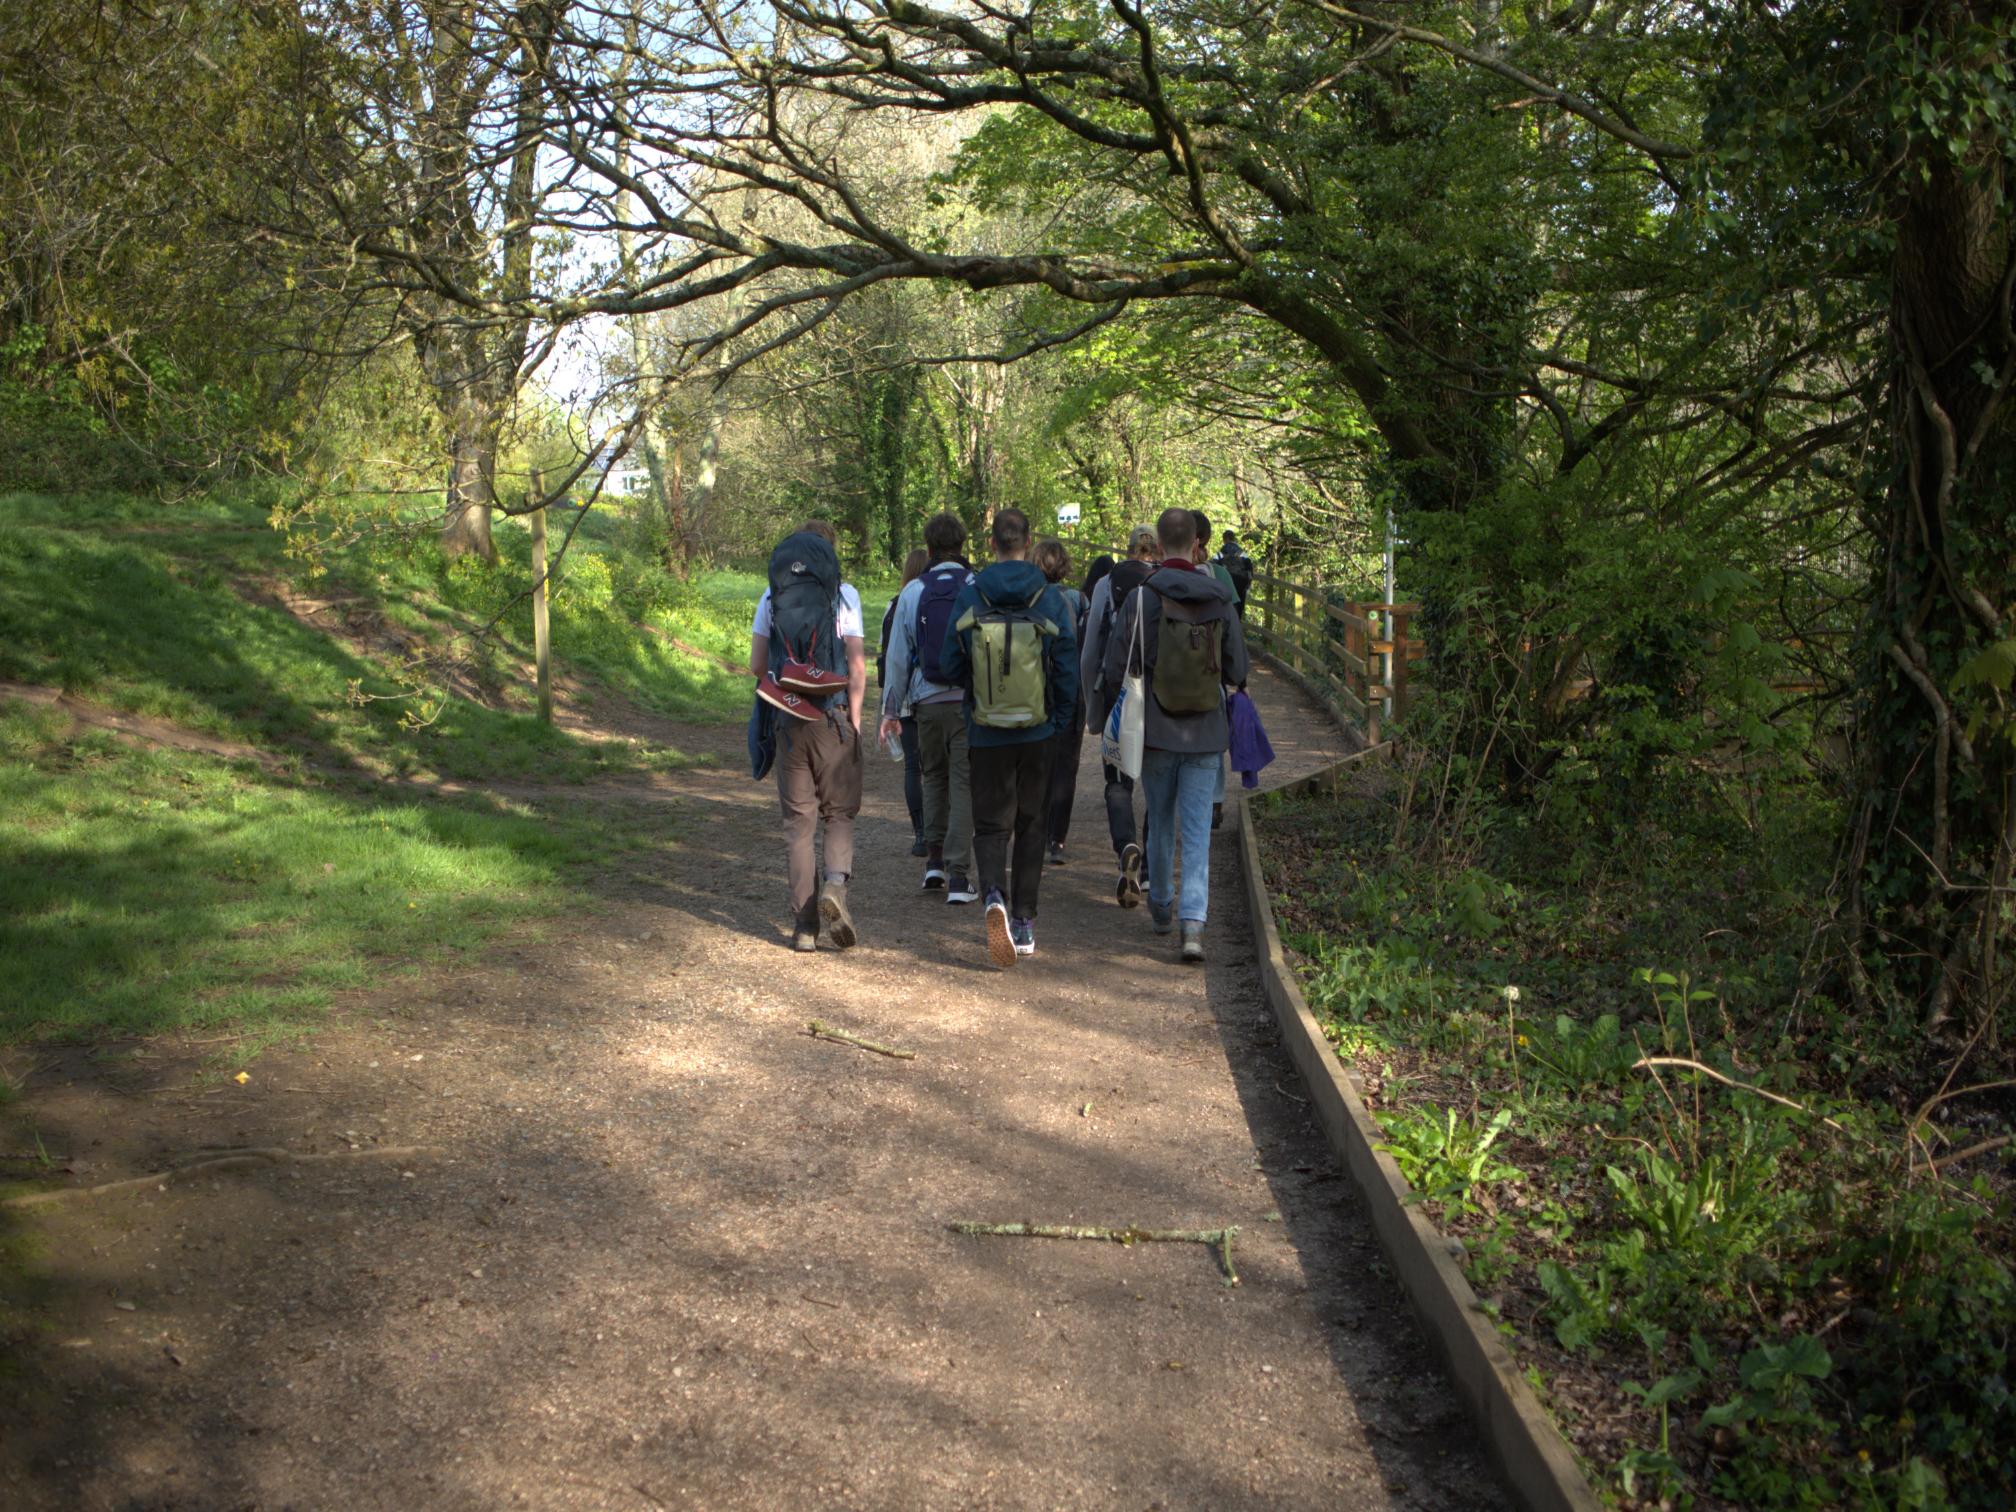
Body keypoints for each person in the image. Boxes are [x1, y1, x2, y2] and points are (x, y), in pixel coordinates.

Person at [1103, 507, 1249, 964]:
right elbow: (1238, 668)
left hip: (1156, 731)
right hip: (1205, 733)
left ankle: (1162, 906)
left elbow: (1115, 665)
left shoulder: (1142, 597)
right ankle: (1193, 927)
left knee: (1161, 821)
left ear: (1161, 545)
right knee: (1197, 829)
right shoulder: (1220, 598)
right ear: (1197, 544)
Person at [940, 508, 1079, 967]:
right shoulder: (1048, 597)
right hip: (1038, 729)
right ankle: (1023, 921)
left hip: (986, 729)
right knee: (1032, 823)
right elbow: (1066, 663)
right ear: (1028, 542)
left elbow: (947, 662)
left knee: (990, 824)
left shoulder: (972, 594)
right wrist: (1059, 719)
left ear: (992, 542)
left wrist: (975, 693)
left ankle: (993, 895)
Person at [751, 520, 868, 953]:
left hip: (789, 721)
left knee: (798, 825)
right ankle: (835, 886)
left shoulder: (771, 596)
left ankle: (804, 928)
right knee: (839, 813)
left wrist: (788, 689)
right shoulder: (844, 595)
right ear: (830, 554)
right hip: (832, 715)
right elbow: (856, 665)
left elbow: (757, 664)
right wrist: (855, 720)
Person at [877, 514, 978, 902]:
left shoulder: (913, 591)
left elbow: (898, 657)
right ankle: (959, 878)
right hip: (966, 702)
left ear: (930, 547)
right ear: (962, 545)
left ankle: (934, 863)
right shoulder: (976, 585)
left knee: (933, 777)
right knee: (963, 784)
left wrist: (891, 711)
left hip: (926, 701)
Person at [1079, 525, 1161, 906]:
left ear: (1128, 549)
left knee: (1117, 782)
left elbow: (1090, 651)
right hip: (1158, 694)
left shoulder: (1106, 584)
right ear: (1156, 549)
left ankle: (1126, 844)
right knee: (1157, 782)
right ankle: (1150, 869)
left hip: (1118, 690)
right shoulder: (1164, 582)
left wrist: (1093, 712)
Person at [1033, 538, 1089, 866]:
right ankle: (1057, 838)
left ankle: (1036, 830)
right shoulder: (1078, 600)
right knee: (1066, 765)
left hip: (1035, 688)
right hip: (1070, 684)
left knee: (1038, 761)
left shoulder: (1030, 598)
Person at [878, 547, 930, 856]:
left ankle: (920, 833)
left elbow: (887, 656)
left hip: (905, 697)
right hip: (934, 692)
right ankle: (939, 830)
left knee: (913, 766)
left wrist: (889, 704)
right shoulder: (936, 599)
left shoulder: (895, 605)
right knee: (938, 768)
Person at [1190, 510, 1235, 831]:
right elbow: (1234, 625)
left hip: (1170, 672)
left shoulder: (1162, 574)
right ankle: (1215, 800)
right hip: (1212, 669)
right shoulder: (1219, 575)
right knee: (1214, 735)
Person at [1214, 529, 1255, 618]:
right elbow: (1250, 573)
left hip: (1223, 588)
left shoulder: (1219, 555)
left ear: (1224, 540)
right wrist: (1247, 588)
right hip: (1240, 588)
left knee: (1223, 613)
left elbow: (1213, 571)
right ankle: (1236, 624)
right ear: (1234, 539)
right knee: (1237, 613)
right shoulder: (1243, 555)